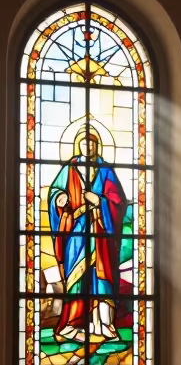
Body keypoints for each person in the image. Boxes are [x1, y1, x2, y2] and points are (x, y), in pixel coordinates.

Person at [48, 126, 127, 342]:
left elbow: (119, 202)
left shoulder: (105, 170)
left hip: (101, 232)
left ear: (97, 145)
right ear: (78, 145)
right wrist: (59, 199)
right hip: (76, 233)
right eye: (84, 142)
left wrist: (99, 202)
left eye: (91, 142)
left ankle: (102, 324)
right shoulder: (70, 169)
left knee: (101, 277)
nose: (88, 145)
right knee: (76, 279)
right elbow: (55, 192)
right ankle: (71, 325)